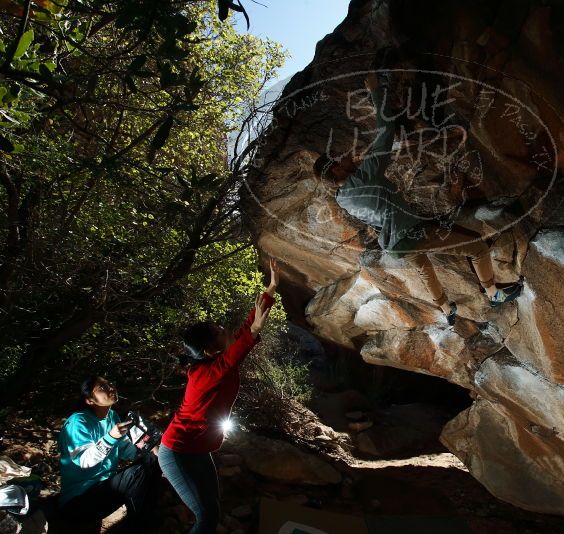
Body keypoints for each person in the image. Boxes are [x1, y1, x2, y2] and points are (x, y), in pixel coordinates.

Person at [313, 73, 523, 326]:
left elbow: (376, 216)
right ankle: (494, 293)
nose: (345, 154)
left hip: (395, 243)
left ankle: (446, 310)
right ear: (335, 169)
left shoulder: (342, 199)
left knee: (425, 272)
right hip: (412, 233)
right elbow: (386, 131)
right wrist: (375, 91)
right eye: (338, 156)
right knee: (477, 248)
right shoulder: (364, 176)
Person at [159, 258, 280, 534]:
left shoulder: (215, 360)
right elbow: (241, 347)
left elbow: (245, 328)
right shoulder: (205, 374)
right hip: (177, 452)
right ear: (210, 351)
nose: (225, 330)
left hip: (198, 449)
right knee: (205, 515)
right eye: (218, 332)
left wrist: (271, 287)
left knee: (212, 507)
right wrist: (256, 330)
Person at [57, 376, 162, 529]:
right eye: (102, 388)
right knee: (136, 474)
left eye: (109, 384)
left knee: (154, 460)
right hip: (80, 499)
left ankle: (148, 516)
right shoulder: (78, 422)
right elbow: (84, 461)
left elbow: (125, 450)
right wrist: (111, 437)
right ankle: (140, 526)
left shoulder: (112, 416)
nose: (110, 388)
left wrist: (150, 448)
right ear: (89, 400)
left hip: (106, 488)